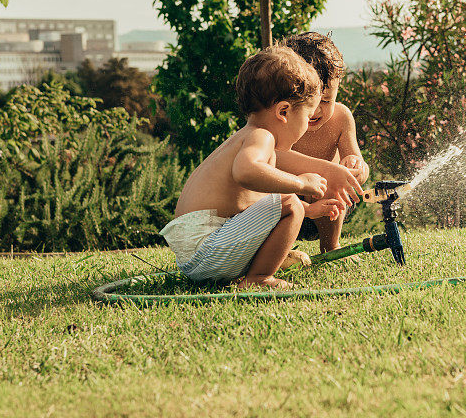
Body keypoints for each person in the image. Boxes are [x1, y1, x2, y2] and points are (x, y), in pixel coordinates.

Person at [159, 46, 345, 289]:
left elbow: (254, 206)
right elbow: (245, 172)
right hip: (208, 249)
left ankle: (259, 267)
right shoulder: (262, 137)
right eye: (307, 116)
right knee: (288, 201)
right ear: (284, 111)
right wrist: (301, 183)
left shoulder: (244, 138)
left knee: (287, 203)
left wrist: (308, 210)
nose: (306, 127)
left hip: (196, 255)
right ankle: (258, 278)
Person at [281, 31, 371, 253]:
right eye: (305, 100)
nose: (316, 110)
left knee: (329, 179)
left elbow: (357, 161)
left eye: (326, 100)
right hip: (286, 204)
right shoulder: (282, 119)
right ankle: (281, 251)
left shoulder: (341, 118)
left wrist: (356, 166)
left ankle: (330, 247)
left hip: (331, 208)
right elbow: (272, 160)